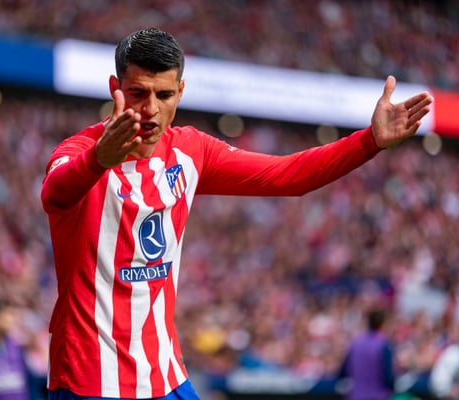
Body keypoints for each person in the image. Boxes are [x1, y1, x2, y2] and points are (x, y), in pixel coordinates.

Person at [40, 28, 433, 400]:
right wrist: (97, 160)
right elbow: (55, 192)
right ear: (115, 88)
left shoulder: (189, 151)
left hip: (164, 375)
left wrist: (368, 142)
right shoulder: (78, 153)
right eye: (138, 93)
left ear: (181, 91)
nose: (151, 109)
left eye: (164, 94)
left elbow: (286, 176)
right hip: (92, 379)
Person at [337, 308, 395, 400]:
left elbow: (343, 372)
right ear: (383, 324)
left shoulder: (355, 343)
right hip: (378, 396)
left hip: (355, 396)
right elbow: (388, 377)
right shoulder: (384, 344)